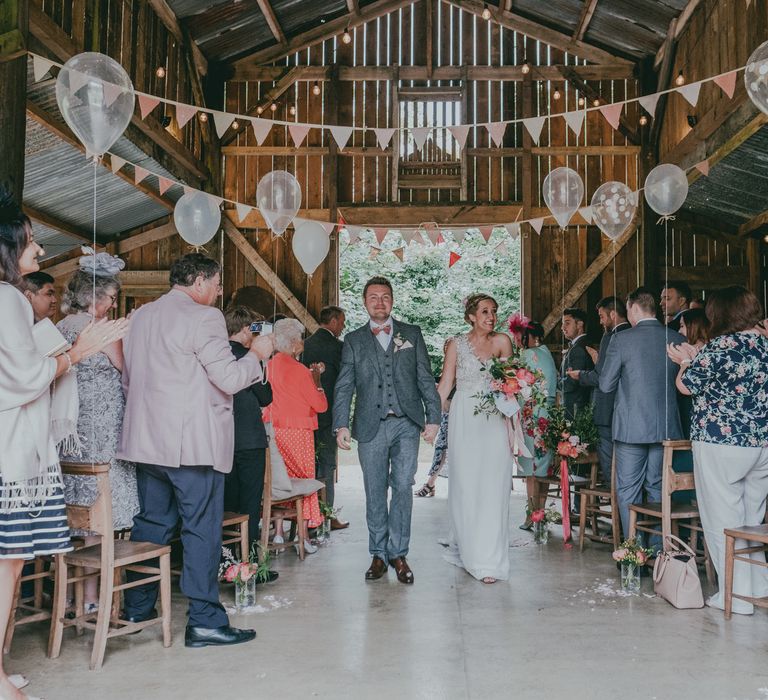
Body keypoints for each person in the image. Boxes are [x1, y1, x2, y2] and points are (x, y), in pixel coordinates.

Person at [0, 190, 127, 700]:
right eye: (31, 240)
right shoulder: (8, 298)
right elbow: (22, 376)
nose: (39, 249)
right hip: (11, 451)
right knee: (7, 566)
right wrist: (79, 351)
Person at [118, 253, 274, 649]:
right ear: (201, 281)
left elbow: (130, 376)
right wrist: (257, 355)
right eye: (218, 284)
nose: (219, 292)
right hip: (192, 446)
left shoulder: (141, 317)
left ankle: (136, 608)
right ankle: (204, 620)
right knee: (201, 529)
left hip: (147, 442)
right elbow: (228, 378)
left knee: (151, 525)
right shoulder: (204, 318)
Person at [333, 276, 440, 585]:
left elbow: (424, 378)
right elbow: (344, 386)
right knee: (375, 490)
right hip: (370, 425)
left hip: (406, 423)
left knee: (403, 485)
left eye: (385, 297)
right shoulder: (353, 340)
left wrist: (433, 418)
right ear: (365, 303)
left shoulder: (412, 333)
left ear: (392, 300)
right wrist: (341, 423)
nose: (379, 302)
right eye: (373, 297)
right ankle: (378, 553)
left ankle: (399, 553)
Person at [669, 286, 768, 615]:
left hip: (720, 441)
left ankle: (734, 595)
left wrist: (686, 362)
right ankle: (757, 587)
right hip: (762, 444)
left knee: (722, 518)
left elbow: (686, 386)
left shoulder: (721, 346)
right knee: (751, 521)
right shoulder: (766, 346)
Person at [56, 256, 139, 614]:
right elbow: (127, 370)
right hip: (102, 433)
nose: (113, 305)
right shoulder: (99, 329)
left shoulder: (60, 327)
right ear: (96, 298)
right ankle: (92, 597)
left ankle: (69, 596)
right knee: (99, 521)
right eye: (110, 298)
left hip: (68, 432)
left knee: (76, 517)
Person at [437, 294, 515, 583]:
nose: (491, 316)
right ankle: (471, 552)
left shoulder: (503, 342)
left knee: (494, 484)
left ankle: (491, 559)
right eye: (484, 312)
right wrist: (431, 420)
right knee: (467, 484)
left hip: (495, 417)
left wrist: (516, 390)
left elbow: (513, 382)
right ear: (471, 316)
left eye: (494, 311)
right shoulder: (456, 344)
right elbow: (446, 384)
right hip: (465, 418)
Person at [599, 288, 684, 547]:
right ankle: (658, 551)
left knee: (628, 490)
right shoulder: (675, 337)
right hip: (667, 427)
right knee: (657, 487)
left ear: (634, 308)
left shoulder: (622, 340)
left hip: (631, 428)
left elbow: (605, 384)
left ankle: (633, 551)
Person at [262, 318, 327, 554]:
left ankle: (278, 533)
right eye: (300, 338)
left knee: (280, 481)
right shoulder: (300, 371)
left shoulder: (267, 366)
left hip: (274, 430)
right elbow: (319, 405)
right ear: (292, 343)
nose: (302, 342)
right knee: (303, 482)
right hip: (298, 434)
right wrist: (318, 380)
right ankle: (303, 537)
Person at [223, 306, 276, 579]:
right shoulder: (250, 357)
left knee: (226, 504)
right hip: (249, 440)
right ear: (246, 330)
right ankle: (251, 565)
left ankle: (226, 563)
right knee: (250, 503)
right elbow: (265, 397)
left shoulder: (216, 355)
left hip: (220, 441)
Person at [567, 297, 630, 483]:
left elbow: (602, 377)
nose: (601, 321)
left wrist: (580, 375)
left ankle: (617, 506)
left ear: (612, 314)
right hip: (627, 410)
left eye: (602, 317)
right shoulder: (632, 334)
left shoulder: (611, 337)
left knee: (610, 464)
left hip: (607, 408)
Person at [301, 305, 348, 529]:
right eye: (342, 322)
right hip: (328, 413)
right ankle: (327, 516)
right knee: (327, 465)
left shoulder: (304, 345)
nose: (343, 326)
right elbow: (345, 382)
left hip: (305, 416)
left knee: (309, 467)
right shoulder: (338, 347)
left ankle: (307, 517)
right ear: (333, 321)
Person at [516, 320, 557, 528]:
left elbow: (517, 384)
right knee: (543, 468)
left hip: (531, 414)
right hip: (547, 416)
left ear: (530, 337)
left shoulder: (527, 355)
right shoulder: (547, 354)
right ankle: (541, 514)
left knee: (531, 469)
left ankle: (531, 515)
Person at [415, 339, 453, 498]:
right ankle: (430, 484)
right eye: (446, 348)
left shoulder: (460, 372)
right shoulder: (445, 372)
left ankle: (432, 484)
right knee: (441, 450)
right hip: (446, 417)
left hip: (458, 415)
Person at [559, 307, 594, 417]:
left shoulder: (578, 348)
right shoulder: (581, 344)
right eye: (563, 323)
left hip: (575, 409)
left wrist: (555, 382)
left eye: (567, 323)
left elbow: (571, 383)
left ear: (579, 325)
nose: (562, 327)